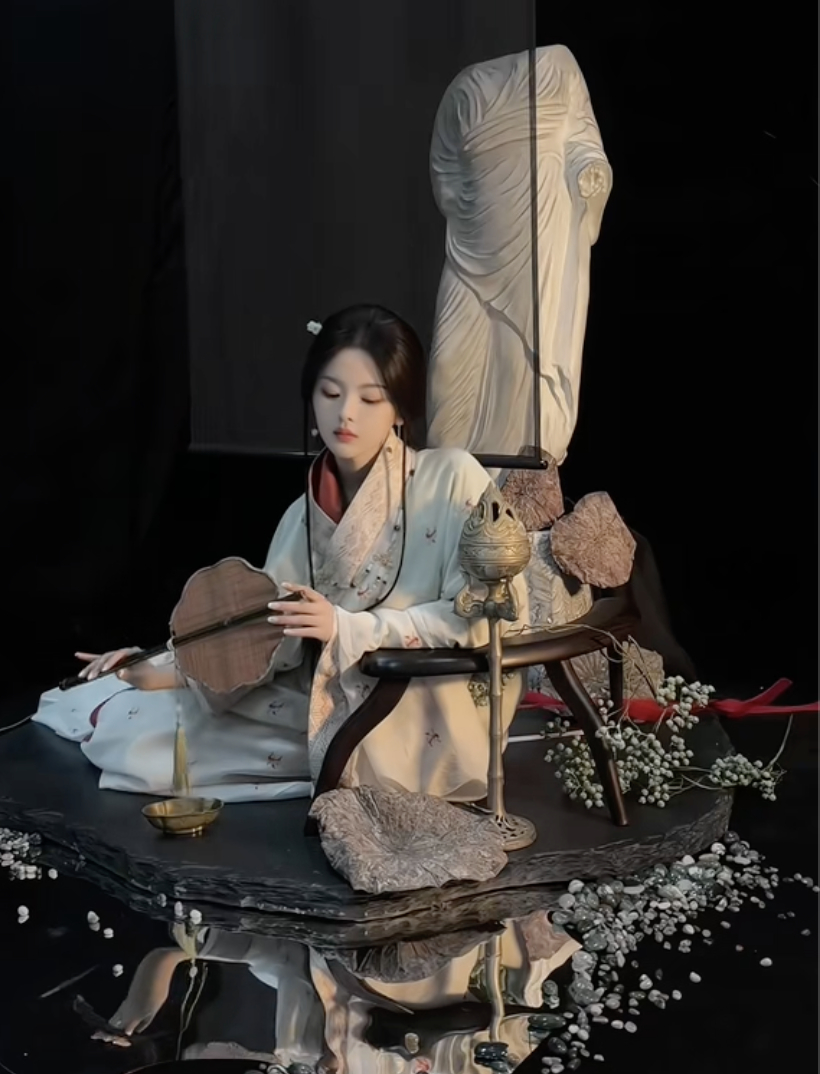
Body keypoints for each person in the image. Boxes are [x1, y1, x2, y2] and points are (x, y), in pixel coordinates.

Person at [34, 304, 528, 802]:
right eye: (330, 393)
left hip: (417, 704)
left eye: (370, 398)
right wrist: (170, 664)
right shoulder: (302, 516)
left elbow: (490, 613)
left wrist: (346, 628)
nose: (346, 413)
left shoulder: (453, 478)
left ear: (400, 409)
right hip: (322, 691)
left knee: (140, 743)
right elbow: (270, 641)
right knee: (128, 717)